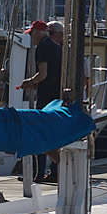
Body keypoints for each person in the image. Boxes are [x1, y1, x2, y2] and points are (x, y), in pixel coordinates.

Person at [28, 20, 65, 182]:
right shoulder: (58, 48)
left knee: (39, 135)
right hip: (58, 98)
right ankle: (57, 172)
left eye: (31, 33)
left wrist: (27, 83)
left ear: (38, 33)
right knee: (56, 136)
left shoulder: (43, 47)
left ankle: (39, 173)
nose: (30, 37)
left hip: (46, 98)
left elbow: (43, 74)